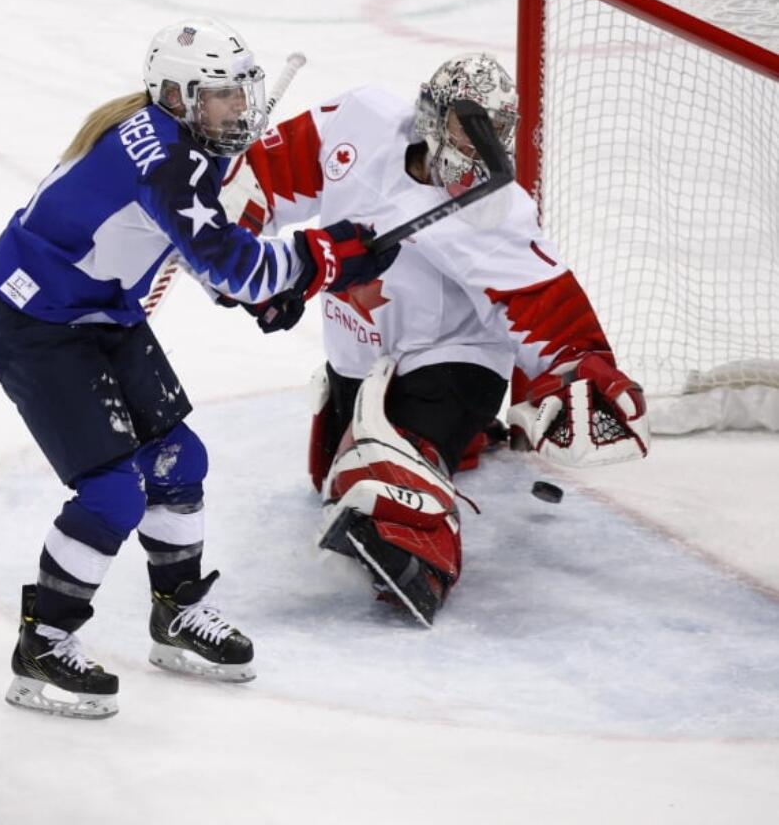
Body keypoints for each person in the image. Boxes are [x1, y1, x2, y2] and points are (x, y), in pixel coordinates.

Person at [0, 17, 395, 718]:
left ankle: (177, 611)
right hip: (38, 329)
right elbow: (231, 260)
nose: (238, 108)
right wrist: (327, 256)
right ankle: (43, 643)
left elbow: (187, 243)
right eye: (220, 95)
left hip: (101, 312)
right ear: (174, 94)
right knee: (112, 495)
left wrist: (248, 290)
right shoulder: (164, 160)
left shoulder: (175, 141)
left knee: (178, 460)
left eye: (240, 92)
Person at [228, 53, 650, 626]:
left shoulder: (494, 212)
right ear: (431, 116)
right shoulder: (363, 118)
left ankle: (426, 541)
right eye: (466, 128)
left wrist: (582, 370)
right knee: (330, 469)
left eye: (496, 133)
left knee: (385, 478)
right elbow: (269, 175)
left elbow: (544, 304)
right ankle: (444, 444)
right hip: (360, 353)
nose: (481, 149)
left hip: (455, 356)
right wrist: (234, 252)